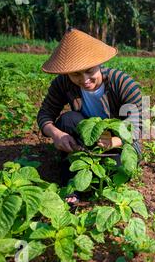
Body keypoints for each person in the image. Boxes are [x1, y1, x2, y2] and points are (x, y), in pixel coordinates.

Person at [37, 28, 142, 198]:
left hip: (118, 141)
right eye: (76, 74)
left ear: (99, 64)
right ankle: (70, 185)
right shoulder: (63, 83)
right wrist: (55, 134)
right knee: (66, 120)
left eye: (90, 71)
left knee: (115, 171)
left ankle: (90, 177)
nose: (85, 80)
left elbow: (139, 124)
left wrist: (115, 140)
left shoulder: (122, 83)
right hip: (87, 137)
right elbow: (45, 113)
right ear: (67, 72)